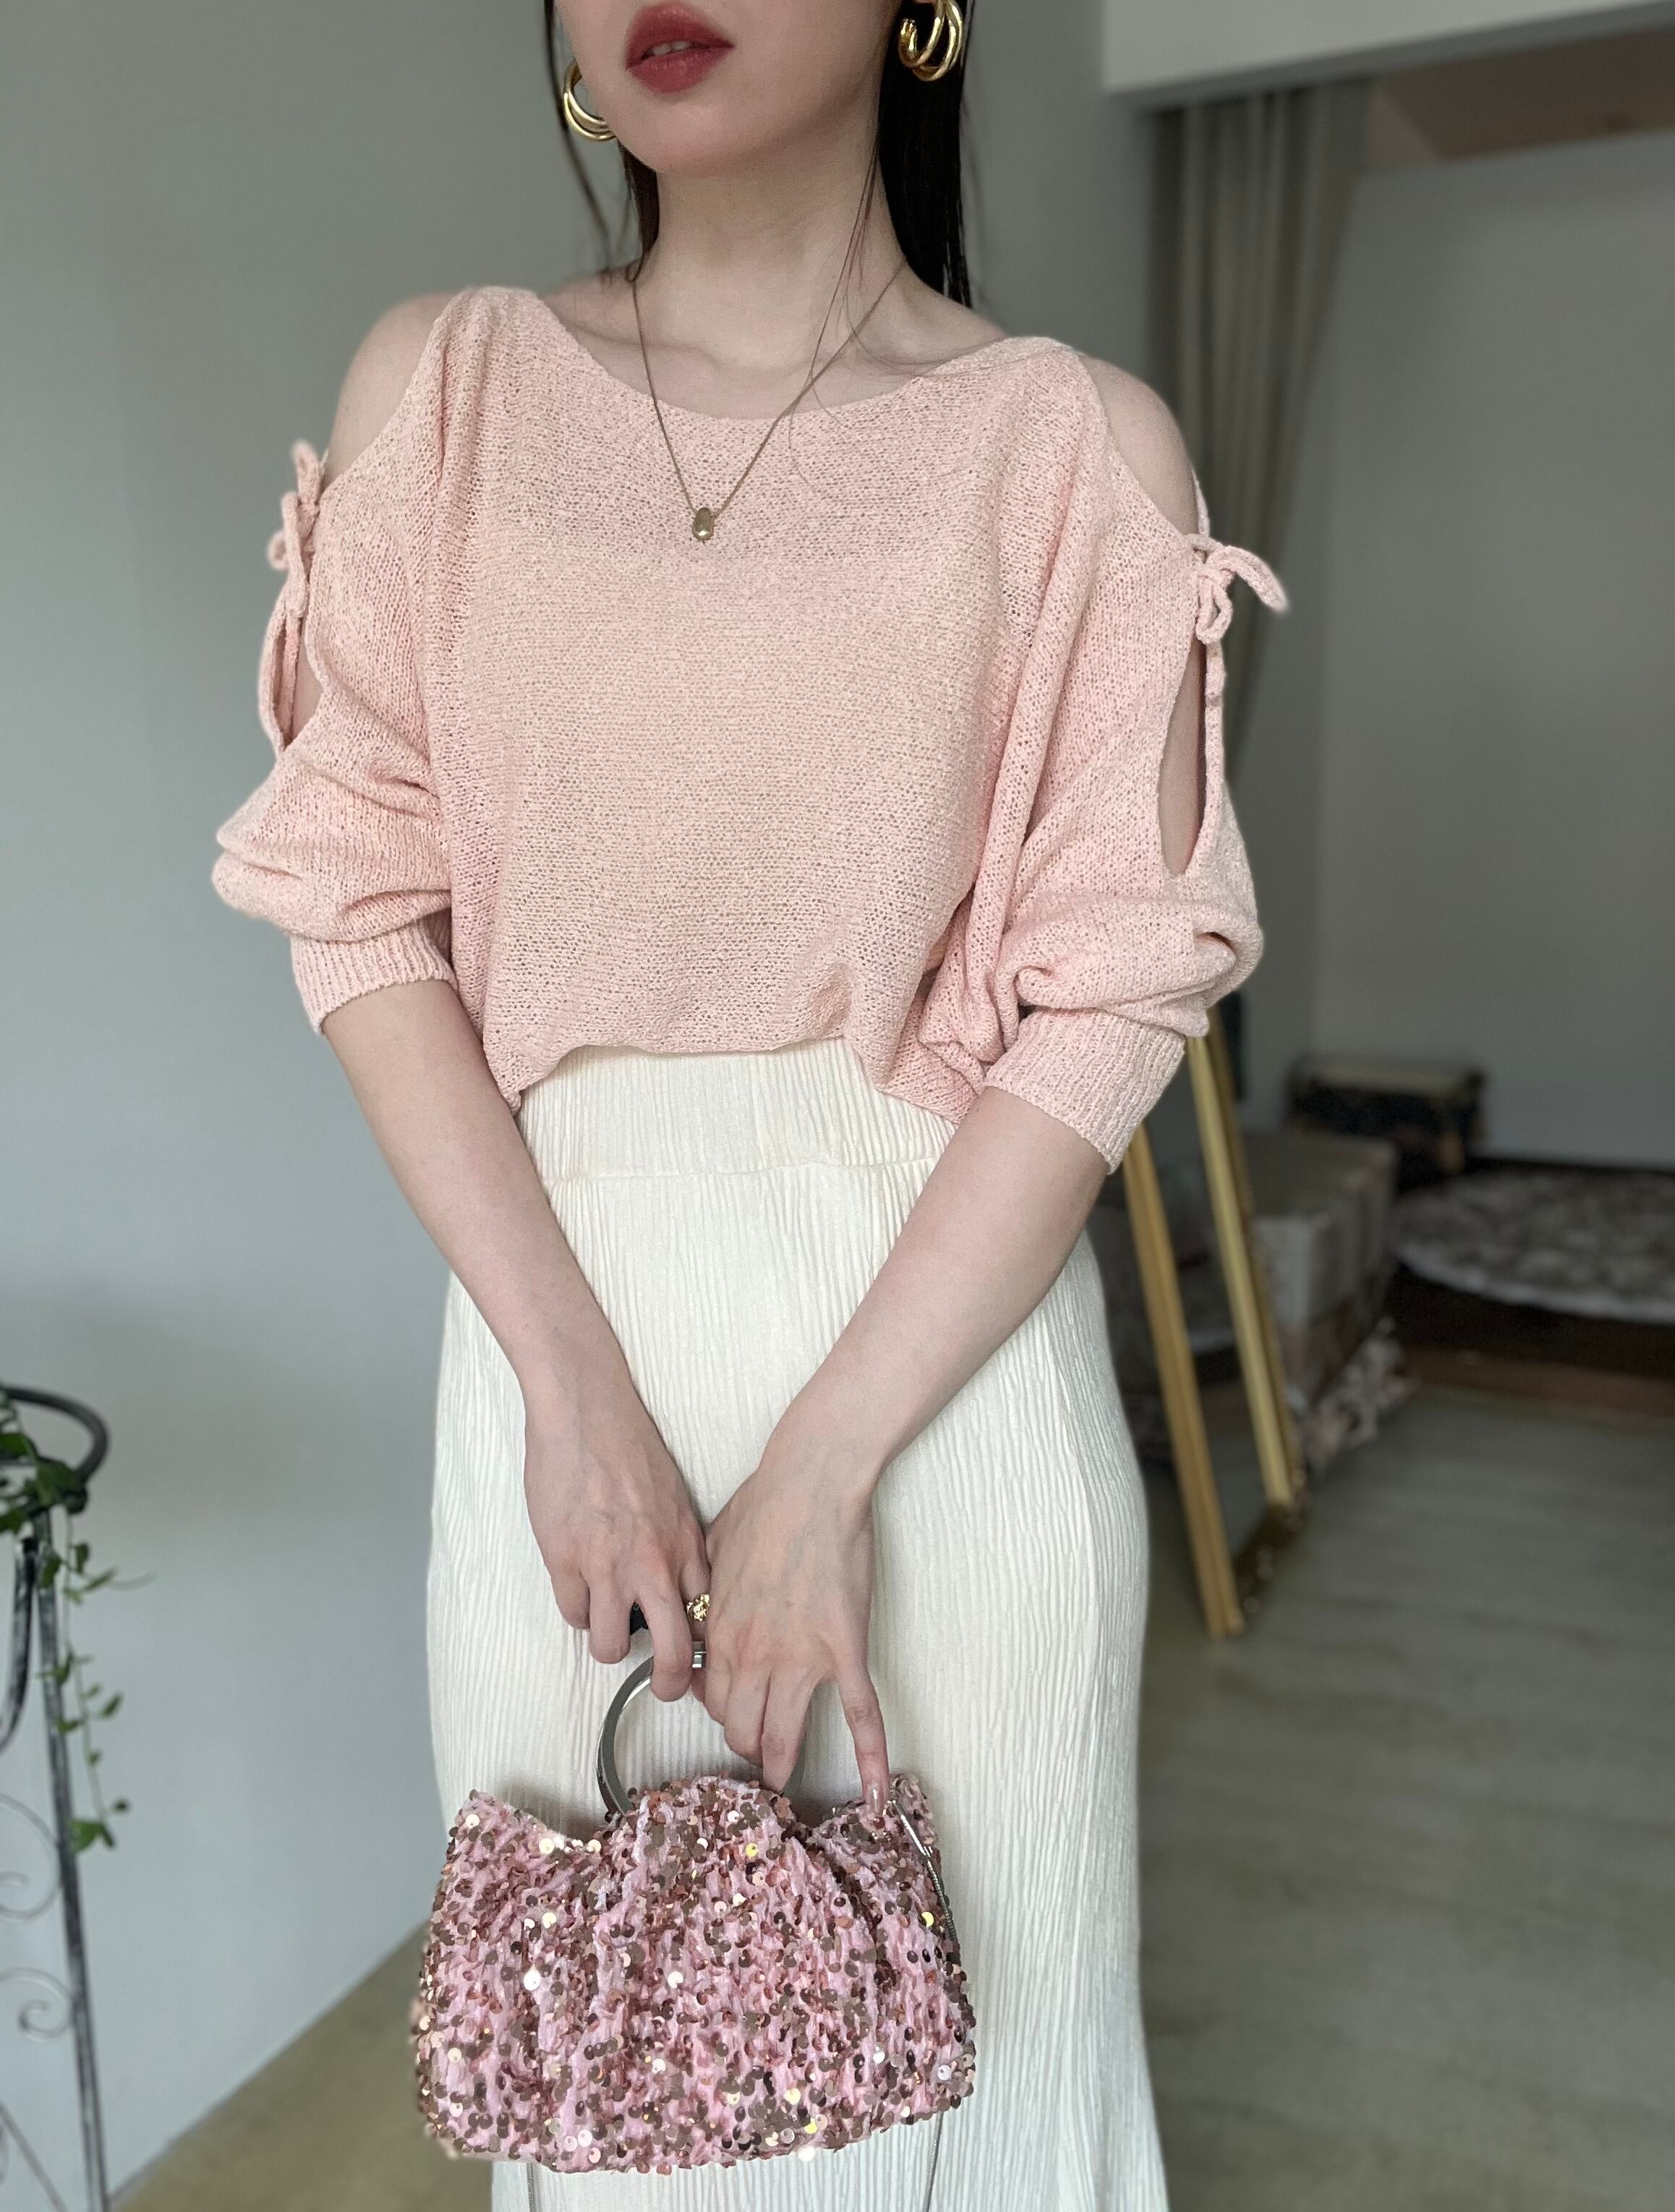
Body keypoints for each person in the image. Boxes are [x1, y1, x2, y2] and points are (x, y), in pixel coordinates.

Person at [212, 1, 1280, 2203]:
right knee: (619, 2112)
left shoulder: (1073, 448)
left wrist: (820, 1469)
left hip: (937, 1378)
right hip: (557, 1377)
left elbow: (1105, 1003)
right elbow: (359, 902)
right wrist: (572, 1388)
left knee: (992, 2096)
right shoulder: (447, 390)